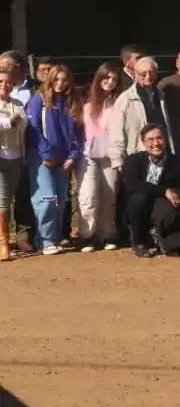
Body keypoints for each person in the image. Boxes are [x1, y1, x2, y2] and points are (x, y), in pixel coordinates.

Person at [25, 63, 81, 256]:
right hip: (41, 158)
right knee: (47, 198)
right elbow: (33, 129)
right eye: (56, 78)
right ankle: (44, 240)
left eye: (64, 79)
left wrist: (73, 156)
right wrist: (46, 154)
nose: (60, 83)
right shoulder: (38, 100)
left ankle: (53, 238)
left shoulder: (72, 102)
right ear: (49, 79)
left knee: (61, 200)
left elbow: (78, 133)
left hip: (64, 159)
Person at [121, 123, 180, 258]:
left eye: (159, 138)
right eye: (150, 140)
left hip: (163, 207)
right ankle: (139, 243)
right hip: (139, 207)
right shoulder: (133, 160)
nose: (156, 143)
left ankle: (161, 239)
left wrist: (177, 195)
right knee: (139, 198)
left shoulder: (176, 162)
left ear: (165, 140)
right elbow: (133, 184)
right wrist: (164, 191)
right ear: (144, 143)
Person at [76, 64, 120, 252]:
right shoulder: (84, 98)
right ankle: (87, 235)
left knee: (109, 196)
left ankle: (107, 233)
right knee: (89, 195)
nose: (110, 82)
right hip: (87, 156)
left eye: (114, 79)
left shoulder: (118, 101)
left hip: (110, 155)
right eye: (107, 77)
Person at [109, 56, 173, 173]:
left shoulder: (161, 96)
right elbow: (116, 131)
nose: (148, 76)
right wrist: (117, 160)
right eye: (143, 74)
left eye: (152, 72)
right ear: (135, 74)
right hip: (137, 155)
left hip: (161, 153)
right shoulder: (126, 99)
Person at [0, 73, 26, 262]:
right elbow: (13, 122)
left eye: (8, 82)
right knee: (2, 202)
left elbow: (23, 123)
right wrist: (9, 121)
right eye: (1, 81)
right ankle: (3, 243)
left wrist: (11, 122)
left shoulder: (17, 102)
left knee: (7, 200)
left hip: (16, 157)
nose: (5, 85)